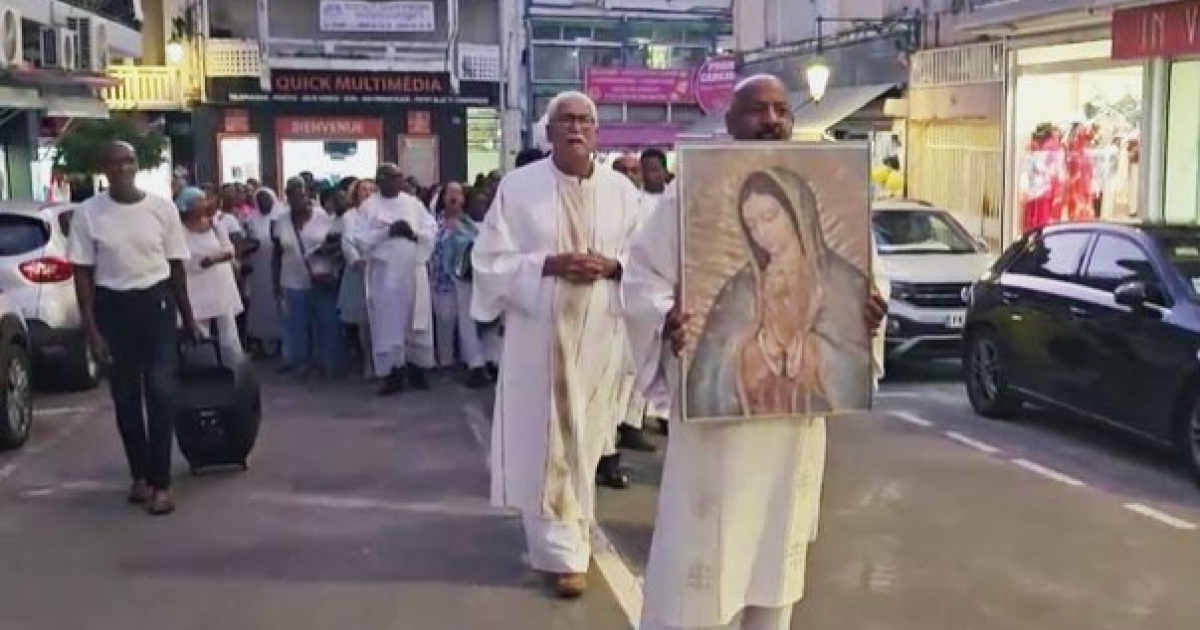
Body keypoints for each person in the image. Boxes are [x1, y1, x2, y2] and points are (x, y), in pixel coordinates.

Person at [623, 75, 891, 630]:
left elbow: (867, 293)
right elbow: (642, 280)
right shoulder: (687, 199)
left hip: (791, 437)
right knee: (700, 571)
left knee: (774, 571)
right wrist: (667, 322)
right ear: (729, 120)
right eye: (755, 110)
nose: (771, 120)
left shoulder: (833, 268)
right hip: (717, 441)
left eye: (779, 110)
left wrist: (868, 318)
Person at [470, 90, 644, 599]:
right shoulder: (519, 188)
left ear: (596, 132)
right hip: (540, 334)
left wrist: (612, 267)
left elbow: (645, 256)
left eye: (584, 120)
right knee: (548, 441)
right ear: (547, 132)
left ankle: (573, 537)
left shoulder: (622, 192)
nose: (575, 127)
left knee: (585, 438)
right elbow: (488, 260)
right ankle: (561, 554)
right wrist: (548, 264)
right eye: (564, 119)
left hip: (600, 335)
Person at [67, 141, 201, 516]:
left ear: (137, 165)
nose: (123, 167)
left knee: (160, 393)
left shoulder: (162, 209)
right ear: (103, 169)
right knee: (126, 400)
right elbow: (82, 272)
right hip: (113, 308)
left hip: (156, 305)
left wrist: (188, 319)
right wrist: (91, 329)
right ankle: (139, 475)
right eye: (115, 162)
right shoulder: (89, 214)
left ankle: (162, 483)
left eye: (129, 161)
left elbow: (176, 268)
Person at [350, 164, 438, 395]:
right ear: (381, 180)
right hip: (385, 274)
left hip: (413, 271)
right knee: (388, 324)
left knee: (416, 322)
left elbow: (431, 228)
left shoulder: (413, 204)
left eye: (399, 177)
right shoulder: (370, 207)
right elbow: (358, 238)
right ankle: (392, 374)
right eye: (391, 178)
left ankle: (417, 369)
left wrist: (412, 234)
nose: (397, 181)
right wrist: (387, 232)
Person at [271, 176, 341, 379]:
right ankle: (301, 364)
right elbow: (277, 254)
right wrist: (275, 283)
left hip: (321, 279)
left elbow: (338, 243)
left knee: (326, 323)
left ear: (308, 195)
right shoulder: (282, 221)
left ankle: (326, 363)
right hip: (292, 281)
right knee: (297, 326)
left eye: (301, 195)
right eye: (292, 195)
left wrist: (325, 251)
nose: (297, 200)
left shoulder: (323, 217)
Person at [176, 187, 245, 362]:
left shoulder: (215, 224)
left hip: (220, 285)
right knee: (198, 328)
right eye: (199, 201)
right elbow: (181, 259)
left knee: (228, 330)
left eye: (204, 200)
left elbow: (229, 249)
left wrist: (214, 259)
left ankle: (234, 366)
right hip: (194, 287)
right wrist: (203, 261)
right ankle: (202, 365)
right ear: (187, 206)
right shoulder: (178, 230)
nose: (204, 204)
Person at [245, 187, 284, 358]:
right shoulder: (251, 220)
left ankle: (278, 341)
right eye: (259, 200)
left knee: (277, 304)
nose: (263, 203)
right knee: (259, 303)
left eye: (266, 199)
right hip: (258, 266)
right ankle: (260, 340)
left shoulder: (281, 217)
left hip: (278, 266)